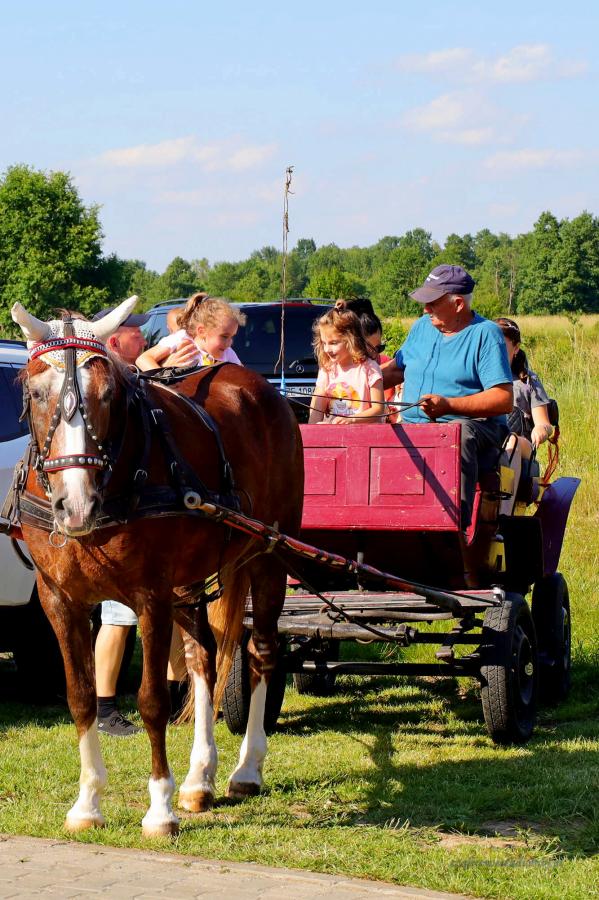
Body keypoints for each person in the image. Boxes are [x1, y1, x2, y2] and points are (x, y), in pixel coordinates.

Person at [381, 265, 513, 528]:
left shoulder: (485, 334)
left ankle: (454, 527)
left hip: (475, 429)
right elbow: (397, 370)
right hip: (415, 426)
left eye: (432, 303)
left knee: (458, 434)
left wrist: (449, 405)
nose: (425, 309)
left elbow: (503, 399)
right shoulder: (422, 327)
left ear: (458, 304)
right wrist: (353, 383)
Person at [91, 306, 150, 736]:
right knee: (117, 616)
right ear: (114, 341)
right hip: (122, 520)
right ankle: (105, 708)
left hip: (150, 518)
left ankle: (176, 697)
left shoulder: (132, 380)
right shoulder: (110, 390)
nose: (144, 338)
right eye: (136, 333)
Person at [495, 317, 554, 514]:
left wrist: (541, 429)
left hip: (522, 444)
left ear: (516, 348)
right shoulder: (477, 377)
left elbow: (544, 423)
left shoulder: (527, 381)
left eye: (501, 346)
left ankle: (503, 516)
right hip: (489, 440)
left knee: (510, 441)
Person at [308, 308, 385, 424]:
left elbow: (378, 409)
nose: (327, 349)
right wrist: (313, 431)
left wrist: (351, 419)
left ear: (351, 339)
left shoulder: (369, 368)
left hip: (365, 434)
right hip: (334, 434)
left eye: (333, 343)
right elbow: (316, 411)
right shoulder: (327, 369)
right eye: (324, 343)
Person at [136, 294, 245, 371]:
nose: (229, 343)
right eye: (224, 336)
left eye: (232, 337)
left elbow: (243, 375)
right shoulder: (181, 339)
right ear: (202, 331)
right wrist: (162, 378)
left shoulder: (227, 353)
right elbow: (143, 359)